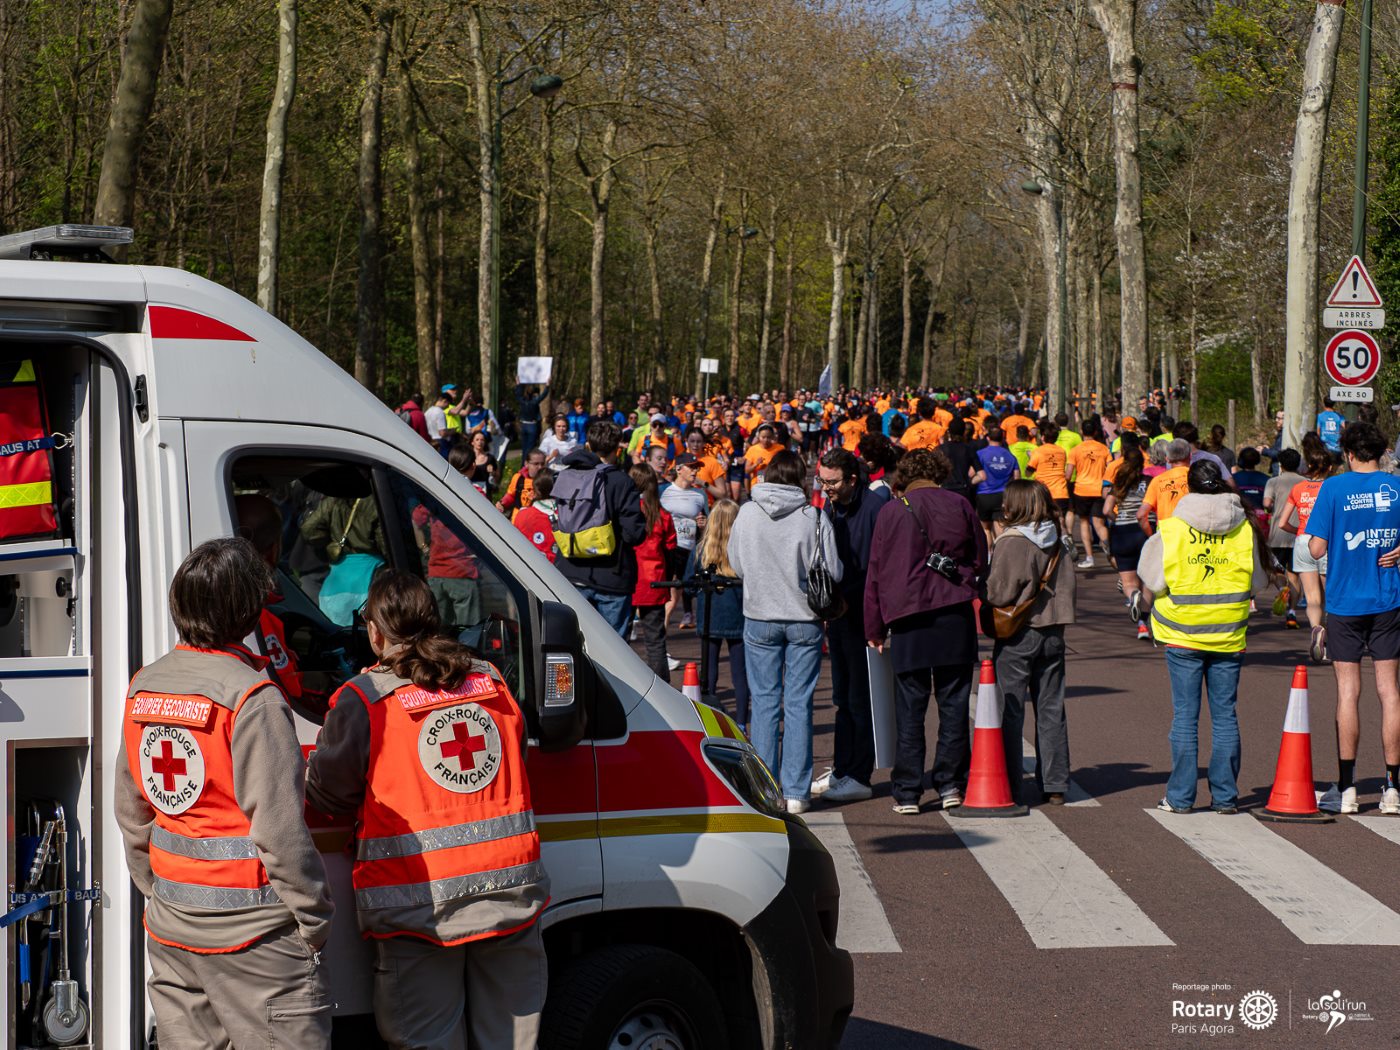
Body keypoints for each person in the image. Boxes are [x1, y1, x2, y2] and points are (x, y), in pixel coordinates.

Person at [306, 571, 548, 1050]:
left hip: (418, 909)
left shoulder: (365, 698)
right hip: (510, 897)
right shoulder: (490, 680)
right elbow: (513, 754)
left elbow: (327, 793)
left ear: (375, 632)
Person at [115, 538, 333, 1048]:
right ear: (247, 610)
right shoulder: (251, 697)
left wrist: (160, 892)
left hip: (172, 928)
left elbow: (131, 809)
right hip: (255, 939)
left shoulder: (145, 686)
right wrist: (314, 918)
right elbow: (279, 831)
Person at [1139, 461, 1269, 814]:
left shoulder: (1172, 527)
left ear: (1189, 488)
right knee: (1225, 716)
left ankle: (1180, 797)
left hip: (1182, 631)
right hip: (1228, 632)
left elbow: (1153, 579)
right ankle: (1225, 796)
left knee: (1185, 716)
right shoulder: (1244, 528)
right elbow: (1259, 582)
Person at [865, 449, 987, 815]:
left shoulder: (891, 511)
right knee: (954, 705)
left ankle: (907, 790)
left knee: (910, 708)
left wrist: (874, 626)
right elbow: (979, 557)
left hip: (908, 616)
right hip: (953, 612)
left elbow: (876, 571)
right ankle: (950, 782)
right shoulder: (959, 504)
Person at [728, 450, 839, 814]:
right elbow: (833, 571)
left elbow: (736, 563)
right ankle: (796, 792)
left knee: (763, 703)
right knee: (798, 703)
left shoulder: (747, 512)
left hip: (760, 614)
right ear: (799, 478)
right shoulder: (813, 516)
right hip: (804, 617)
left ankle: (765, 788)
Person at [1304, 422, 1400, 815]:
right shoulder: (1396, 487)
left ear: (1347, 453)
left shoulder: (1333, 488)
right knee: (1389, 692)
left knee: (1348, 692)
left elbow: (1315, 549)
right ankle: (1392, 789)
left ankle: (1346, 789)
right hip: (1388, 599)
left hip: (1345, 602)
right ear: (1381, 452)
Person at [984, 479, 1077, 804]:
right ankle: (1055, 783)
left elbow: (998, 592)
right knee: (1051, 708)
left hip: (1019, 632)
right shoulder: (1057, 538)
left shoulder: (1013, 541)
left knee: (1010, 710)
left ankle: (1010, 782)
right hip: (1054, 630)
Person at [811, 448, 890, 805]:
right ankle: (843, 769)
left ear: (852, 479)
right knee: (842, 698)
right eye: (822, 480)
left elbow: (878, 567)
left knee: (859, 700)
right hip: (840, 614)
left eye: (832, 482)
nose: (826, 487)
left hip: (863, 615)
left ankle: (859, 774)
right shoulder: (832, 508)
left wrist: (874, 619)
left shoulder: (874, 509)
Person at [555, 420, 648, 637]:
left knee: (573, 644)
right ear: (617, 448)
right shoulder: (621, 481)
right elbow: (633, 534)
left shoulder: (566, 475)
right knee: (614, 649)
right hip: (612, 576)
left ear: (588, 445)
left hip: (570, 569)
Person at [687, 500, 748, 725]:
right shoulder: (743, 549)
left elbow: (689, 585)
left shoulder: (701, 550)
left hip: (709, 614)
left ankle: (709, 720)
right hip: (738, 615)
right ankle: (741, 722)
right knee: (740, 674)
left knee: (708, 671)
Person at [1281, 443, 1334, 658]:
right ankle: (1328, 639)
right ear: (1330, 467)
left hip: (1303, 541)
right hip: (1326, 541)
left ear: (1309, 466)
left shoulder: (1298, 488)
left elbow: (1282, 523)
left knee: (1312, 597)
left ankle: (1316, 629)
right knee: (1329, 596)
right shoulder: (1332, 487)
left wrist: (1299, 532)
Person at [630, 464, 678, 682]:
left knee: (619, 640)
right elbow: (671, 551)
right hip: (655, 581)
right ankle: (662, 689)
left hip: (630, 581)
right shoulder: (662, 515)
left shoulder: (628, 511)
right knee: (655, 641)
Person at [662, 453, 709, 629]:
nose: (695, 471)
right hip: (669, 548)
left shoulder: (699, 495)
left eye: (697, 467)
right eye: (692, 467)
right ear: (679, 469)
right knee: (671, 597)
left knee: (674, 596)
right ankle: (659, 639)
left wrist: (703, 525)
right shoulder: (664, 491)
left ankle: (660, 637)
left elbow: (705, 529)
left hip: (689, 551)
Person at [1263, 448, 1305, 629]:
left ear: (1281, 465)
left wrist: (1273, 506)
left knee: (1276, 572)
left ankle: (1282, 589)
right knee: (1295, 576)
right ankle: (1292, 613)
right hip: (1299, 535)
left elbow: (1266, 503)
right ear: (1298, 464)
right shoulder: (1305, 482)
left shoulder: (1273, 481)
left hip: (1278, 536)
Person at [1066, 420, 1111, 568]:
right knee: (1099, 523)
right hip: (1099, 490)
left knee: (1084, 522)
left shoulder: (1075, 450)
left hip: (1081, 490)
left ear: (1081, 431)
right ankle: (1109, 548)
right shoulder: (1104, 449)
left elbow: (1068, 474)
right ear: (1095, 432)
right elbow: (1110, 469)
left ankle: (1089, 557)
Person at [971, 425, 1019, 546]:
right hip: (1003, 496)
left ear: (988, 438)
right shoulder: (1010, 456)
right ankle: (1001, 551)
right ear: (1002, 439)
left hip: (984, 495)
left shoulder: (980, 454)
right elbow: (1017, 478)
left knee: (985, 529)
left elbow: (971, 474)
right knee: (1000, 526)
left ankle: (988, 554)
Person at [1137, 438, 1192, 533]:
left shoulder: (1157, 481)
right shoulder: (1196, 476)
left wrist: (1152, 536)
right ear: (1190, 456)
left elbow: (1141, 515)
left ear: (1167, 459)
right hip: (1192, 533)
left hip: (1166, 534)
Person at [513, 469, 557, 561]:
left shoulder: (523, 515)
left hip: (525, 564)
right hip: (557, 567)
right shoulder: (567, 516)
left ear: (535, 491)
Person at [1027, 424, 1070, 520]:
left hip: (1043, 493)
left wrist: (1030, 457)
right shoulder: (1062, 451)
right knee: (1060, 520)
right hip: (1061, 492)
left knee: (1044, 521)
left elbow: (1028, 473)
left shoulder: (1038, 451)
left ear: (1043, 437)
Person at [938, 418, 978, 503]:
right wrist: (969, 483)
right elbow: (982, 475)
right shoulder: (968, 449)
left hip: (946, 490)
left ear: (949, 432)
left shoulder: (941, 449)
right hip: (963, 490)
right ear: (963, 432)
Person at [497, 448, 547, 517]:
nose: (540, 467)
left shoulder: (548, 480)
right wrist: (502, 503)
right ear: (526, 464)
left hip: (538, 517)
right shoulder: (518, 478)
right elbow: (511, 495)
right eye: (536, 464)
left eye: (542, 464)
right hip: (518, 517)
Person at [464, 428, 499, 497]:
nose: (480, 442)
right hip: (470, 490)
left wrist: (493, 473)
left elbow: (497, 477)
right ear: (472, 442)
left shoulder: (490, 458)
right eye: (477, 440)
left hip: (486, 492)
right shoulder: (467, 457)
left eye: (482, 440)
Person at [515, 383, 549, 453]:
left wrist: (518, 385)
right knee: (530, 447)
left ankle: (524, 459)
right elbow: (543, 395)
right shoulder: (535, 401)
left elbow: (517, 394)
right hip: (532, 425)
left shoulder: (522, 401)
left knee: (524, 446)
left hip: (523, 424)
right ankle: (528, 458)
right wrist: (547, 386)